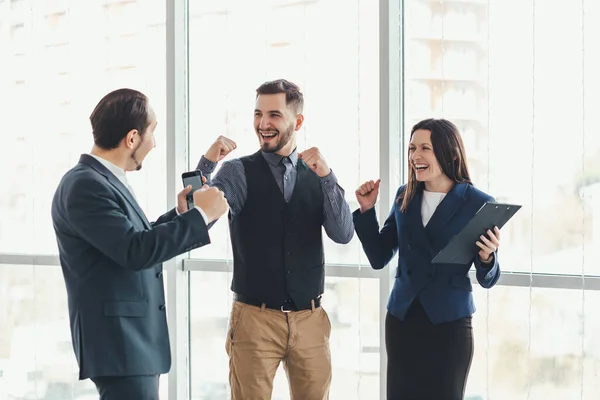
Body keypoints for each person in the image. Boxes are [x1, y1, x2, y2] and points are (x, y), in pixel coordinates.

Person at [51, 88, 229, 400]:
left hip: (130, 345)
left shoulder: (101, 180)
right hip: (120, 344)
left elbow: (132, 239)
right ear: (132, 138)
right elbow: (135, 251)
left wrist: (180, 215)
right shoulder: (85, 185)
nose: (154, 143)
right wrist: (201, 216)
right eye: (152, 132)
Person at [195, 79, 354, 399]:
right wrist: (207, 165)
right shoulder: (236, 172)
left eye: (274, 115)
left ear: (297, 121)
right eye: (258, 114)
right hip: (254, 320)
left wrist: (328, 177)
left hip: (310, 321)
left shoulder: (318, 174)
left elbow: (342, 233)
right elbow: (197, 219)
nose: (262, 124)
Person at [353, 118, 502, 400]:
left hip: (449, 324)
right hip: (402, 320)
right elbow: (379, 256)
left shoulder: (478, 202)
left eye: (425, 148)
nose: (415, 156)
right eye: (411, 148)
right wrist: (366, 211)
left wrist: (487, 256)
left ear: (451, 154)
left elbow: (489, 278)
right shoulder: (404, 195)